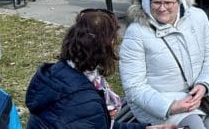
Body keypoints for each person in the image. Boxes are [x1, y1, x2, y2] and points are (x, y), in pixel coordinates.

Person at [26, 9, 176, 129]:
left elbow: (98, 124)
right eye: (114, 41)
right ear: (104, 48)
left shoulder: (58, 72)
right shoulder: (85, 101)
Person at [120, 0, 209, 129]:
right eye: (156, 2)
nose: (162, 8)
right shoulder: (136, 32)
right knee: (194, 125)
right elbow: (134, 86)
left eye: (168, 2)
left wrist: (204, 84)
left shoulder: (197, 17)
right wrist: (170, 105)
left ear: (179, 1)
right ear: (149, 0)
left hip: (198, 96)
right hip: (159, 103)